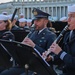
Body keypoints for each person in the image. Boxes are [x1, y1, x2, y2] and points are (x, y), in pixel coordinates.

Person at [0, 8, 57, 75]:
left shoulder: (50, 35)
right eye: (35, 20)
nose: (35, 23)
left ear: (46, 21)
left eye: (38, 20)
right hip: (27, 65)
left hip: (39, 68)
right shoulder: (32, 33)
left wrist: (34, 46)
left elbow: (51, 56)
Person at [42, 4, 75, 75]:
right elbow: (63, 57)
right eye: (68, 16)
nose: (68, 20)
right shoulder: (67, 35)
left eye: (72, 16)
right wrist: (51, 58)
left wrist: (60, 52)